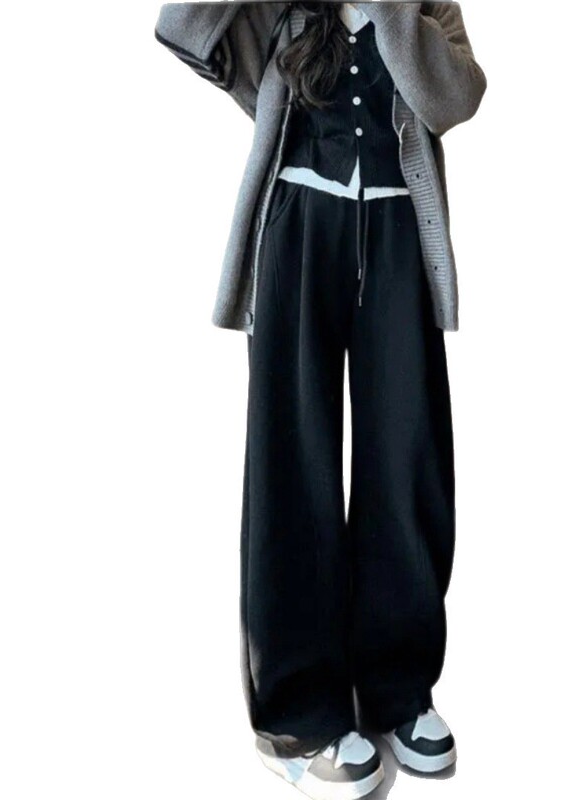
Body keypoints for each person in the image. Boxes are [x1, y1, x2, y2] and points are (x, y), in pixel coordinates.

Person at [154, 3, 486, 797]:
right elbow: (181, 25)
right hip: (297, 232)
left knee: (407, 459)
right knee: (292, 463)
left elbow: (457, 97)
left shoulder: (424, 5)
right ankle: (299, 714)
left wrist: (387, 9)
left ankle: (398, 692)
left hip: (399, 238)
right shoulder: (280, 9)